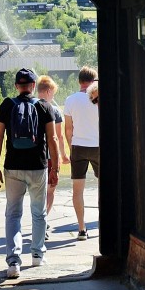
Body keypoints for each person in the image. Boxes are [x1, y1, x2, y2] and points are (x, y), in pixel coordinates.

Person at [0, 67, 59, 279]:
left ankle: (13, 261)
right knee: (39, 212)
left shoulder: (6, 105)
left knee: (13, 214)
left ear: (16, 86)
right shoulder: (44, 106)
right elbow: (53, 139)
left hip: (12, 166)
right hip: (38, 166)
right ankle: (38, 255)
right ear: (33, 86)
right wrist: (55, 167)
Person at [63, 66, 99, 240]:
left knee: (77, 190)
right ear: (94, 81)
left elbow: (68, 129)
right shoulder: (98, 98)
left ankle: (81, 228)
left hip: (78, 146)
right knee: (103, 188)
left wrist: (71, 148)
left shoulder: (70, 100)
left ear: (79, 81)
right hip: (98, 146)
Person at [37, 75, 70, 237]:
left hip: (35, 156)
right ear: (49, 91)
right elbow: (58, 136)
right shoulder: (54, 110)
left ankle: (38, 220)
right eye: (54, 93)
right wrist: (63, 156)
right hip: (49, 157)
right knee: (50, 190)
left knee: (37, 192)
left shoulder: (32, 106)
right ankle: (43, 221)